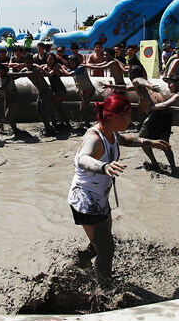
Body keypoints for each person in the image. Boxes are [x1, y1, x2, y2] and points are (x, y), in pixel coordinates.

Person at [68, 93, 170, 283]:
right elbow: (82, 159)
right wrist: (103, 166)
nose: (131, 120)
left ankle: (82, 260)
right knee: (107, 249)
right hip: (86, 200)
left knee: (102, 239)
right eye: (128, 116)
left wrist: (150, 142)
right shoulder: (94, 138)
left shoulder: (111, 133)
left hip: (100, 198)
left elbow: (127, 140)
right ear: (115, 116)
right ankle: (103, 289)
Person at [130, 68, 177, 172]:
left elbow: (139, 81)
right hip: (167, 112)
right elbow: (127, 88)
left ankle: (155, 164)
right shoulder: (142, 85)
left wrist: (149, 85)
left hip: (157, 112)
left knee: (142, 139)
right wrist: (111, 86)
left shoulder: (138, 81)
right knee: (165, 142)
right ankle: (174, 168)